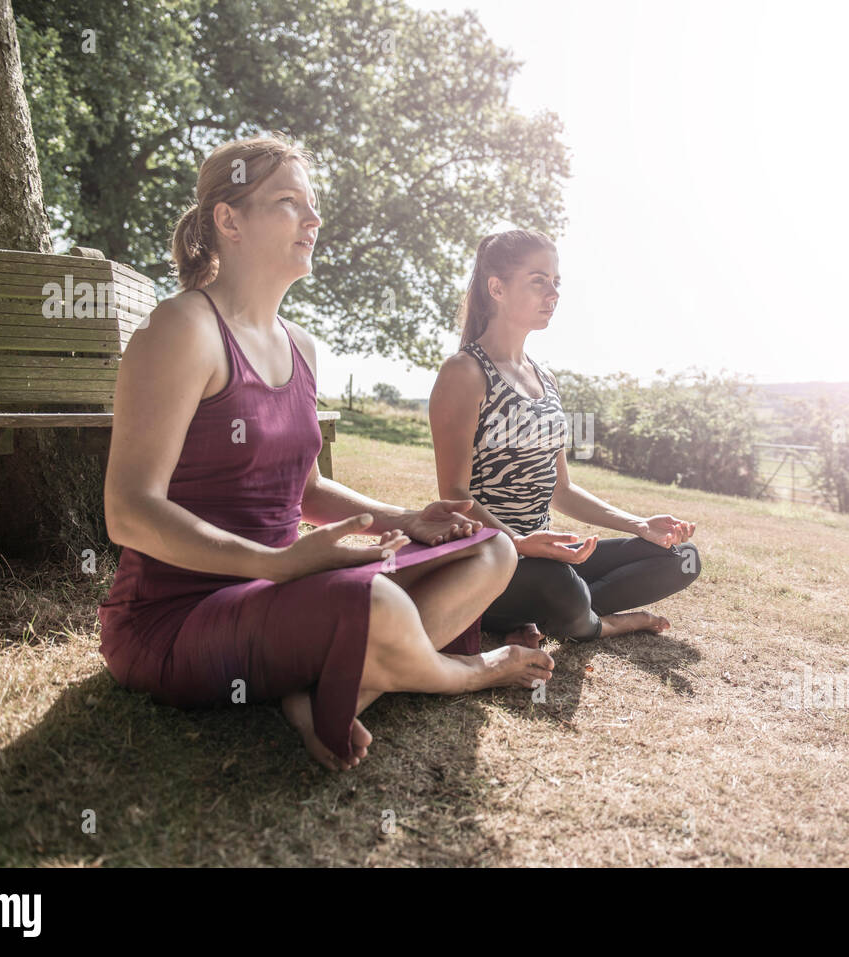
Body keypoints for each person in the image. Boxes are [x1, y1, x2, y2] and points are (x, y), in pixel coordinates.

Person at [98, 135, 554, 772]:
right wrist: (278, 564)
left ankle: (326, 690)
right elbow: (128, 512)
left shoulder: (302, 347)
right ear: (229, 220)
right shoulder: (181, 328)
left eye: (312, 206)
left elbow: (305, 490)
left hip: (289, 590)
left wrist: (403, 521)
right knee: (378, 604)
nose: (313, 221)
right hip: (179, 616)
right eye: (288, 203)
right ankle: (468, 672)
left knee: (490, 548)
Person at [428, 229, 701, 648]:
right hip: (490, 558)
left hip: (547, 554)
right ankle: (601, 622)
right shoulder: (464, 372)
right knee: (560, 586)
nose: (552, 293)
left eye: (556, 282)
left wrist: (640, 525)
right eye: (538, 280)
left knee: (680, 560)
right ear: (497, 288)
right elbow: (454, 496)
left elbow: (562, 489)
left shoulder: (546, 379)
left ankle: (548, 615)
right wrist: (520, 545)